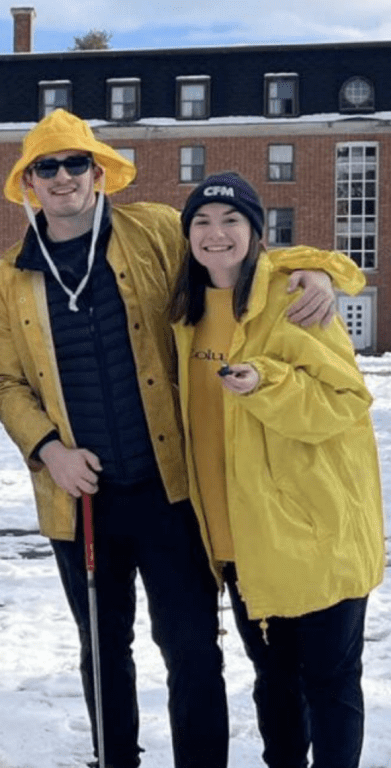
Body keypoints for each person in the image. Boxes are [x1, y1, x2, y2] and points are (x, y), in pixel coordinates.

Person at [0, 109, 355, 768]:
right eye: (48, 166)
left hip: (169, 487)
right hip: (80, 499)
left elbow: (236, 252)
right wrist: (49, 450)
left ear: (99, 174)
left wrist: (323, 271)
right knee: (103, 649)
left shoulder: (151, 230)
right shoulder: (7, 279)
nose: (63, 177)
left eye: (76, 164)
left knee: (190, 647)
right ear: (29, 183)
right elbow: (4, 382)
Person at [170, 172, 383, 768]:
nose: (216, 234)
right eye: (202, 222)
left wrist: (268, 382)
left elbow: (345, 402)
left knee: (331, 685)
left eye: (232, 221)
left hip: (315, 533)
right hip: (239, 539)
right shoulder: (183, 312)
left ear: (258, 233)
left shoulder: (296, 298)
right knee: (274, 683)